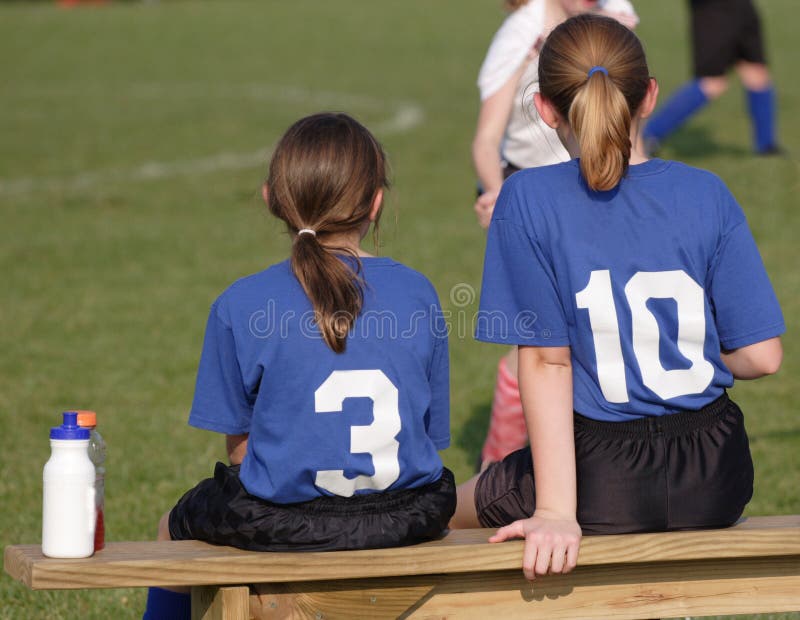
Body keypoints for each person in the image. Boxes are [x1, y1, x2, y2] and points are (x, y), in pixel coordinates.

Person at [451, 14, 784, 581]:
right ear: (649, 96)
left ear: (547, 109)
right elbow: (763, 356)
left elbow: (546, 360)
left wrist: (556, 510)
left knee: (441, 508)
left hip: (602, 477)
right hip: (717, 473)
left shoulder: (526, 197)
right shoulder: (707, 191)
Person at [143, 113, 456, 618]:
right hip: (405, 516)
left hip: (288, 524)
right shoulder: (418, 292)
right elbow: (425, 433)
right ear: (376, 203)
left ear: (271, 199)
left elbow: (243, 453)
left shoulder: (240, 302)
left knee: (170, 527)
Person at [472, 0, 639, 468]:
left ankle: (600, 458)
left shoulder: (616, 12)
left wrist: (644, 188)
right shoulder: (525, 28)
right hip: (529, 195)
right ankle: (501, 465)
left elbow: (629, 119)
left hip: (602, 184)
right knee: (541, 341)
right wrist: (497, 193)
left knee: (603, 317)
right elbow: (486, 139)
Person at [643, 0, 780, 155]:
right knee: (711, 81)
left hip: (742, 7)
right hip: (713, 10)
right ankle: (647, 136)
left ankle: (766, 147)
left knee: (756, 72)